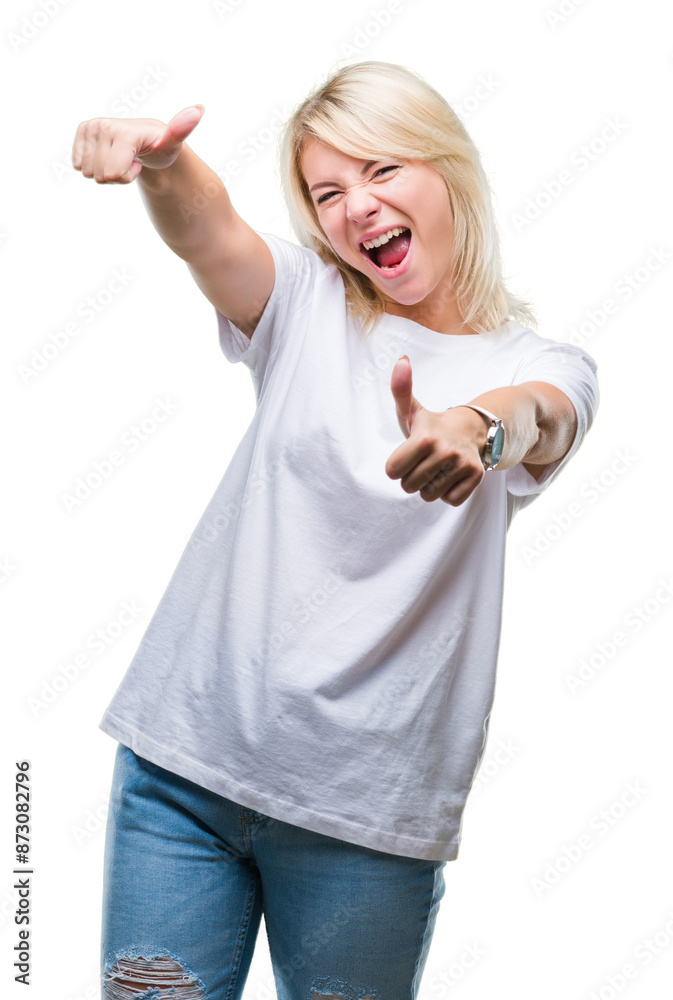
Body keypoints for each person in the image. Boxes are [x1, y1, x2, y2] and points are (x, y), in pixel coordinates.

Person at [72, 60, 599, 1000]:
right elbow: (209, 230)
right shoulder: (306, 304)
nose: (356, 207)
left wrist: (478, 429)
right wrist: (159, 167)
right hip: (181, 777)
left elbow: (542, 414)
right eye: (327, 191)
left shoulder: (539, 360)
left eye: (383, 170)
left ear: (448, 171)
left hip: (365, 820)